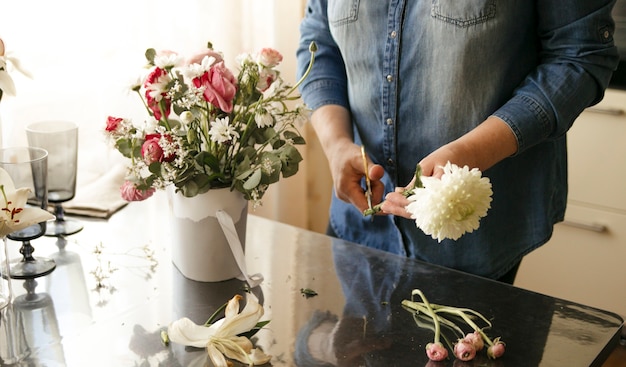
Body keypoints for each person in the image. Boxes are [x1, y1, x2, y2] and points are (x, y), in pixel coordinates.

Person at [296, 1, 619, 283]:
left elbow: (579, 58)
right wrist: (336, 144)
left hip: (476, 237)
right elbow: (319, 43)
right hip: (357, 220)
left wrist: (470, 152)